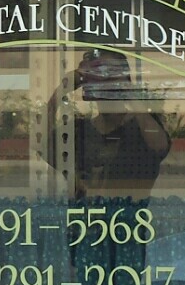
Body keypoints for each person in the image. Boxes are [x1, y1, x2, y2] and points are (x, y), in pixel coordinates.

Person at [65, 49, 172, 198]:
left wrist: (128, 91)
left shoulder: (142, 126)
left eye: (110, 73)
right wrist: (63, 88)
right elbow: (40, 140)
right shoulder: (80, 130)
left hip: (127, 211)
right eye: (95, 74)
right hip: (86, 212)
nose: (102, 80)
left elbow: (159, 147)